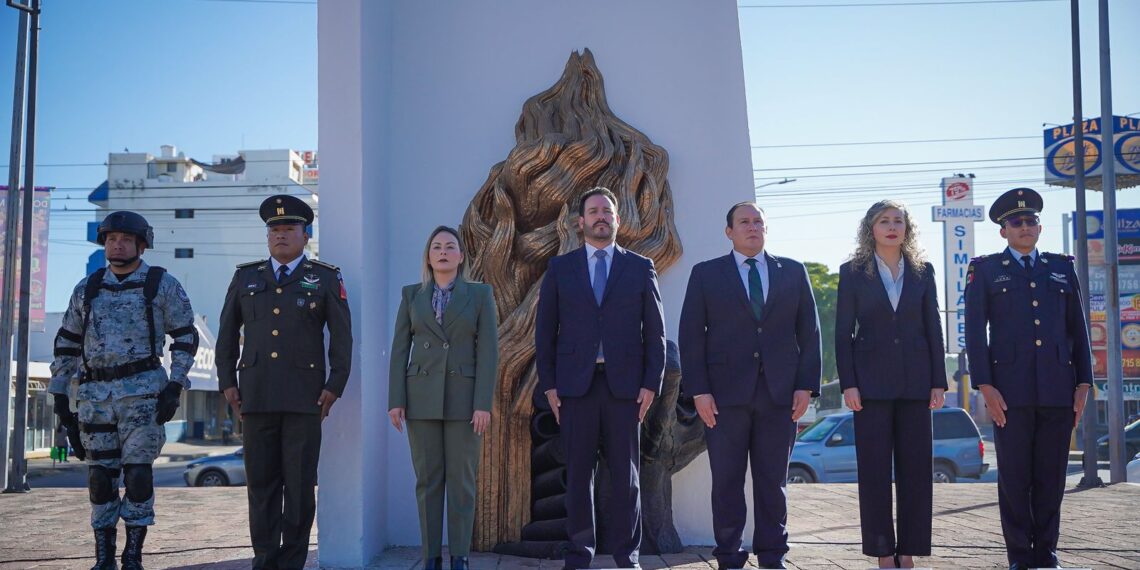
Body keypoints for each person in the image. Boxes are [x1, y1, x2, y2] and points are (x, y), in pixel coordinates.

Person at [48, 210, 199, 570]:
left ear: (141, 245)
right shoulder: (87, 288)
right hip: (94, 399)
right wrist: (60, 401)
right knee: (100, 478)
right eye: (111, 239)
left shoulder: (161, 284)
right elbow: (67, 343)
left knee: (137, 474)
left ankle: (133, 555)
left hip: (143, 396)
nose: (117, 245)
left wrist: (175, 385)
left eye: (126, 239)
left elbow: (185, 336)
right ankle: (104, 557)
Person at [678, 202, 821, 570]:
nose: (752, 227)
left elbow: (809, 332)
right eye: (744, 222)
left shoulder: (791, 271)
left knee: (772, 482)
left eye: (758, 221)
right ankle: (728, 555)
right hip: (724, 397)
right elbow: (691, 336)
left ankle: (773, 555)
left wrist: (806, 385)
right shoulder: (706, 275)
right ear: (729, 231)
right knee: (726, 481)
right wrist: (699, 391)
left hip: (780, 395)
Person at [216, 194, 353, 570]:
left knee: (299, 486)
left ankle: (292, 562)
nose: (280, 235)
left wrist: (335, 385)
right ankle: (264, 559)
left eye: (289, 228)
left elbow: (342, 337)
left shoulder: (325, 278)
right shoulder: (246, 277)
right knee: (261, 487)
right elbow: (226, 335)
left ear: (305, 235)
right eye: (274, 229)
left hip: (304, 398)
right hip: (255, 397)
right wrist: (227, 382)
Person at [535, 186, 666, 570]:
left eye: (607, 211)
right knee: (578, 476)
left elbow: (655, 332)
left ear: (617, 219)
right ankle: (579, 555)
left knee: (627, 478)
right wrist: (550, 385)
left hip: (626, 388)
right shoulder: (560, 269)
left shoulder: (640, 267)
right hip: (575, 387)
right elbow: (545, 332)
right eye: (593, 211)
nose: (600, 217)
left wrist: (651, 384)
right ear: (581, 222)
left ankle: (628, 556)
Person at [965, 187, 1093, 570]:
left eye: (1030, 220)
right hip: (1010, 393)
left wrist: (1084, 383)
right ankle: (1020, 556)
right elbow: (974, 333)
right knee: (1016, 479)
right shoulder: (986, 270)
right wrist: (985, 385)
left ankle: (1046, 554)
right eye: (1015, 222)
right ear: (1003, 231)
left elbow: (1079, 329)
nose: (1024, 226)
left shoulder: (1061, 266)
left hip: (1058, 388)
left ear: (1039, 227)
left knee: (1051, 479)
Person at [834, 200, 947, 569]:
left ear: (907, 229)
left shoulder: (923, 272)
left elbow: (934, 328)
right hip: (870, 389)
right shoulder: (852, 273)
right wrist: (849, 384)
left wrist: (938, 382)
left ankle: (909, 552)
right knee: (875, 473)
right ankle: (883, 552)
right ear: (871, 228)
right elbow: (842, 334)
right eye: (884, 221)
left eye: (898, 220)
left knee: (916, 474)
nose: (892, 226)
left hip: (916, 386)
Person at [387, 225, 500, 570]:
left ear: (461, 256)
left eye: (450, 246)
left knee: (462, 482)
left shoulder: (480, 295)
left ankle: (460, 556)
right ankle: (431, 556)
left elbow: (489, 352)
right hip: (420, 398)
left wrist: (483, 403)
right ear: (428, 256)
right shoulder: (411, 296)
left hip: (465, 402)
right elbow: (399, 350)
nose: (443, 252)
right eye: (436, 246)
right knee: (428, 480)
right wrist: (396, 399)